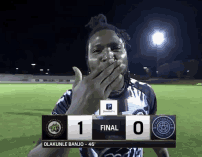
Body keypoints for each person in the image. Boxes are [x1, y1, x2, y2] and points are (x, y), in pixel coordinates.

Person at [28, 14, 169, 157]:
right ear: (88, 60)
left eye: (115, 48)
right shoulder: (72, 98)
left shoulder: (145, 92)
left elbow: (155, 139)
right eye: (97, 50)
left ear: (126, 53)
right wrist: (74, 115)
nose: (108, 56)